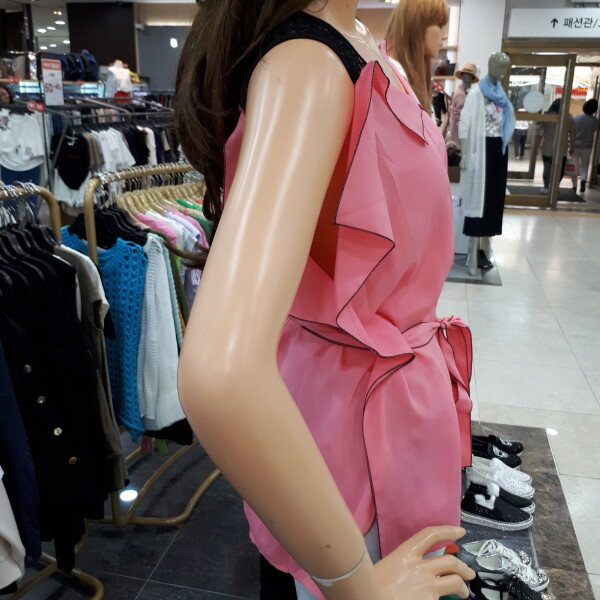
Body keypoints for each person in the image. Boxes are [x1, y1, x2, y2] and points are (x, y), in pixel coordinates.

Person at [175, 1, 475, 600]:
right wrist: (358, 588)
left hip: (392, 420)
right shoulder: (309, 64)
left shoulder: (356, 43)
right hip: (352, 457)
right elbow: (220, 373)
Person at [534, 98, 576, 194]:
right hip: (561, 148)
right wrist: (572, 147)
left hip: (547, 147)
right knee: (559, 169)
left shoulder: (546, 117)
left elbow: (540, 133)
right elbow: (573, 135)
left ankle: (546, 187)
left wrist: (536, 146)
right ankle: (555, 187)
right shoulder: (569, 119)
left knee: (547, 168)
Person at [571, 98, 599, 194]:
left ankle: (574, 186)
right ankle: (583, 180)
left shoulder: (576, 119)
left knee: (574, 166)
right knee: (585, 166)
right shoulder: (596, 121)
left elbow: (572, 132)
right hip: (587, 147)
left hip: (575, 145)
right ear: (595, 109)